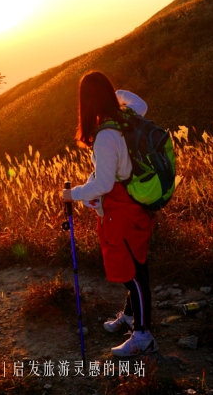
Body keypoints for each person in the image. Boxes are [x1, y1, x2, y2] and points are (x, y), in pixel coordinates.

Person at [61, 71, 157, 357]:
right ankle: (131, 316)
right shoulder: (127, 117)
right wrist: (115, 95)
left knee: (133, 275)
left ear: (86, 102)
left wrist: (73, 194)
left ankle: (144, 337)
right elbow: (141, 103)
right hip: (136, 204)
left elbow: (103, 184)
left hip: (123, 210)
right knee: (136, 262)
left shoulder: (105, 135)